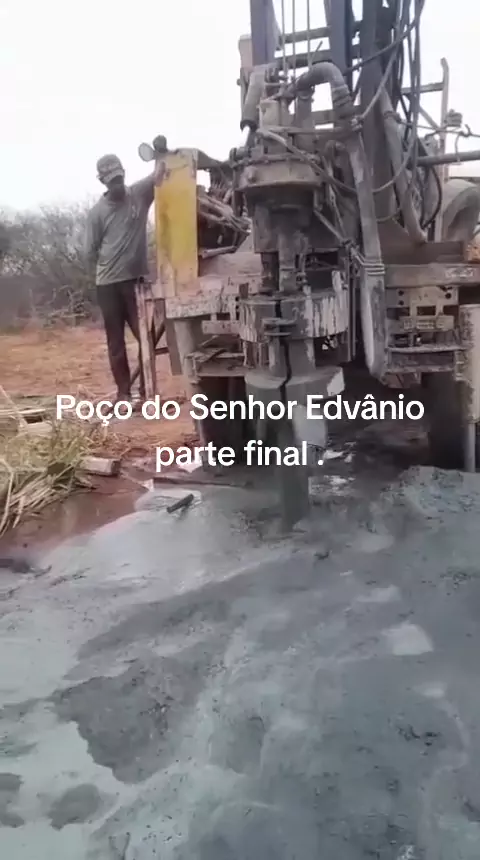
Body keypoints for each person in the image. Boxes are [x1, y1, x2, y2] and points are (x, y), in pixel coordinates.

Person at [84, 153, 154, 404]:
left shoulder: (139, 194)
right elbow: (90, 251)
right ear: (102, 181)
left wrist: (160, 151)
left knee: (145, 337)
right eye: (111, 181)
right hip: (108, 285)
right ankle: (124, 393)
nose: (117, 185)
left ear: (124, 173)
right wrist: (110, 266)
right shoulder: (97, 214)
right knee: (116, 342)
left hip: (134, 282)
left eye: (119, 178)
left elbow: (160, 173)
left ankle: (147, 391)